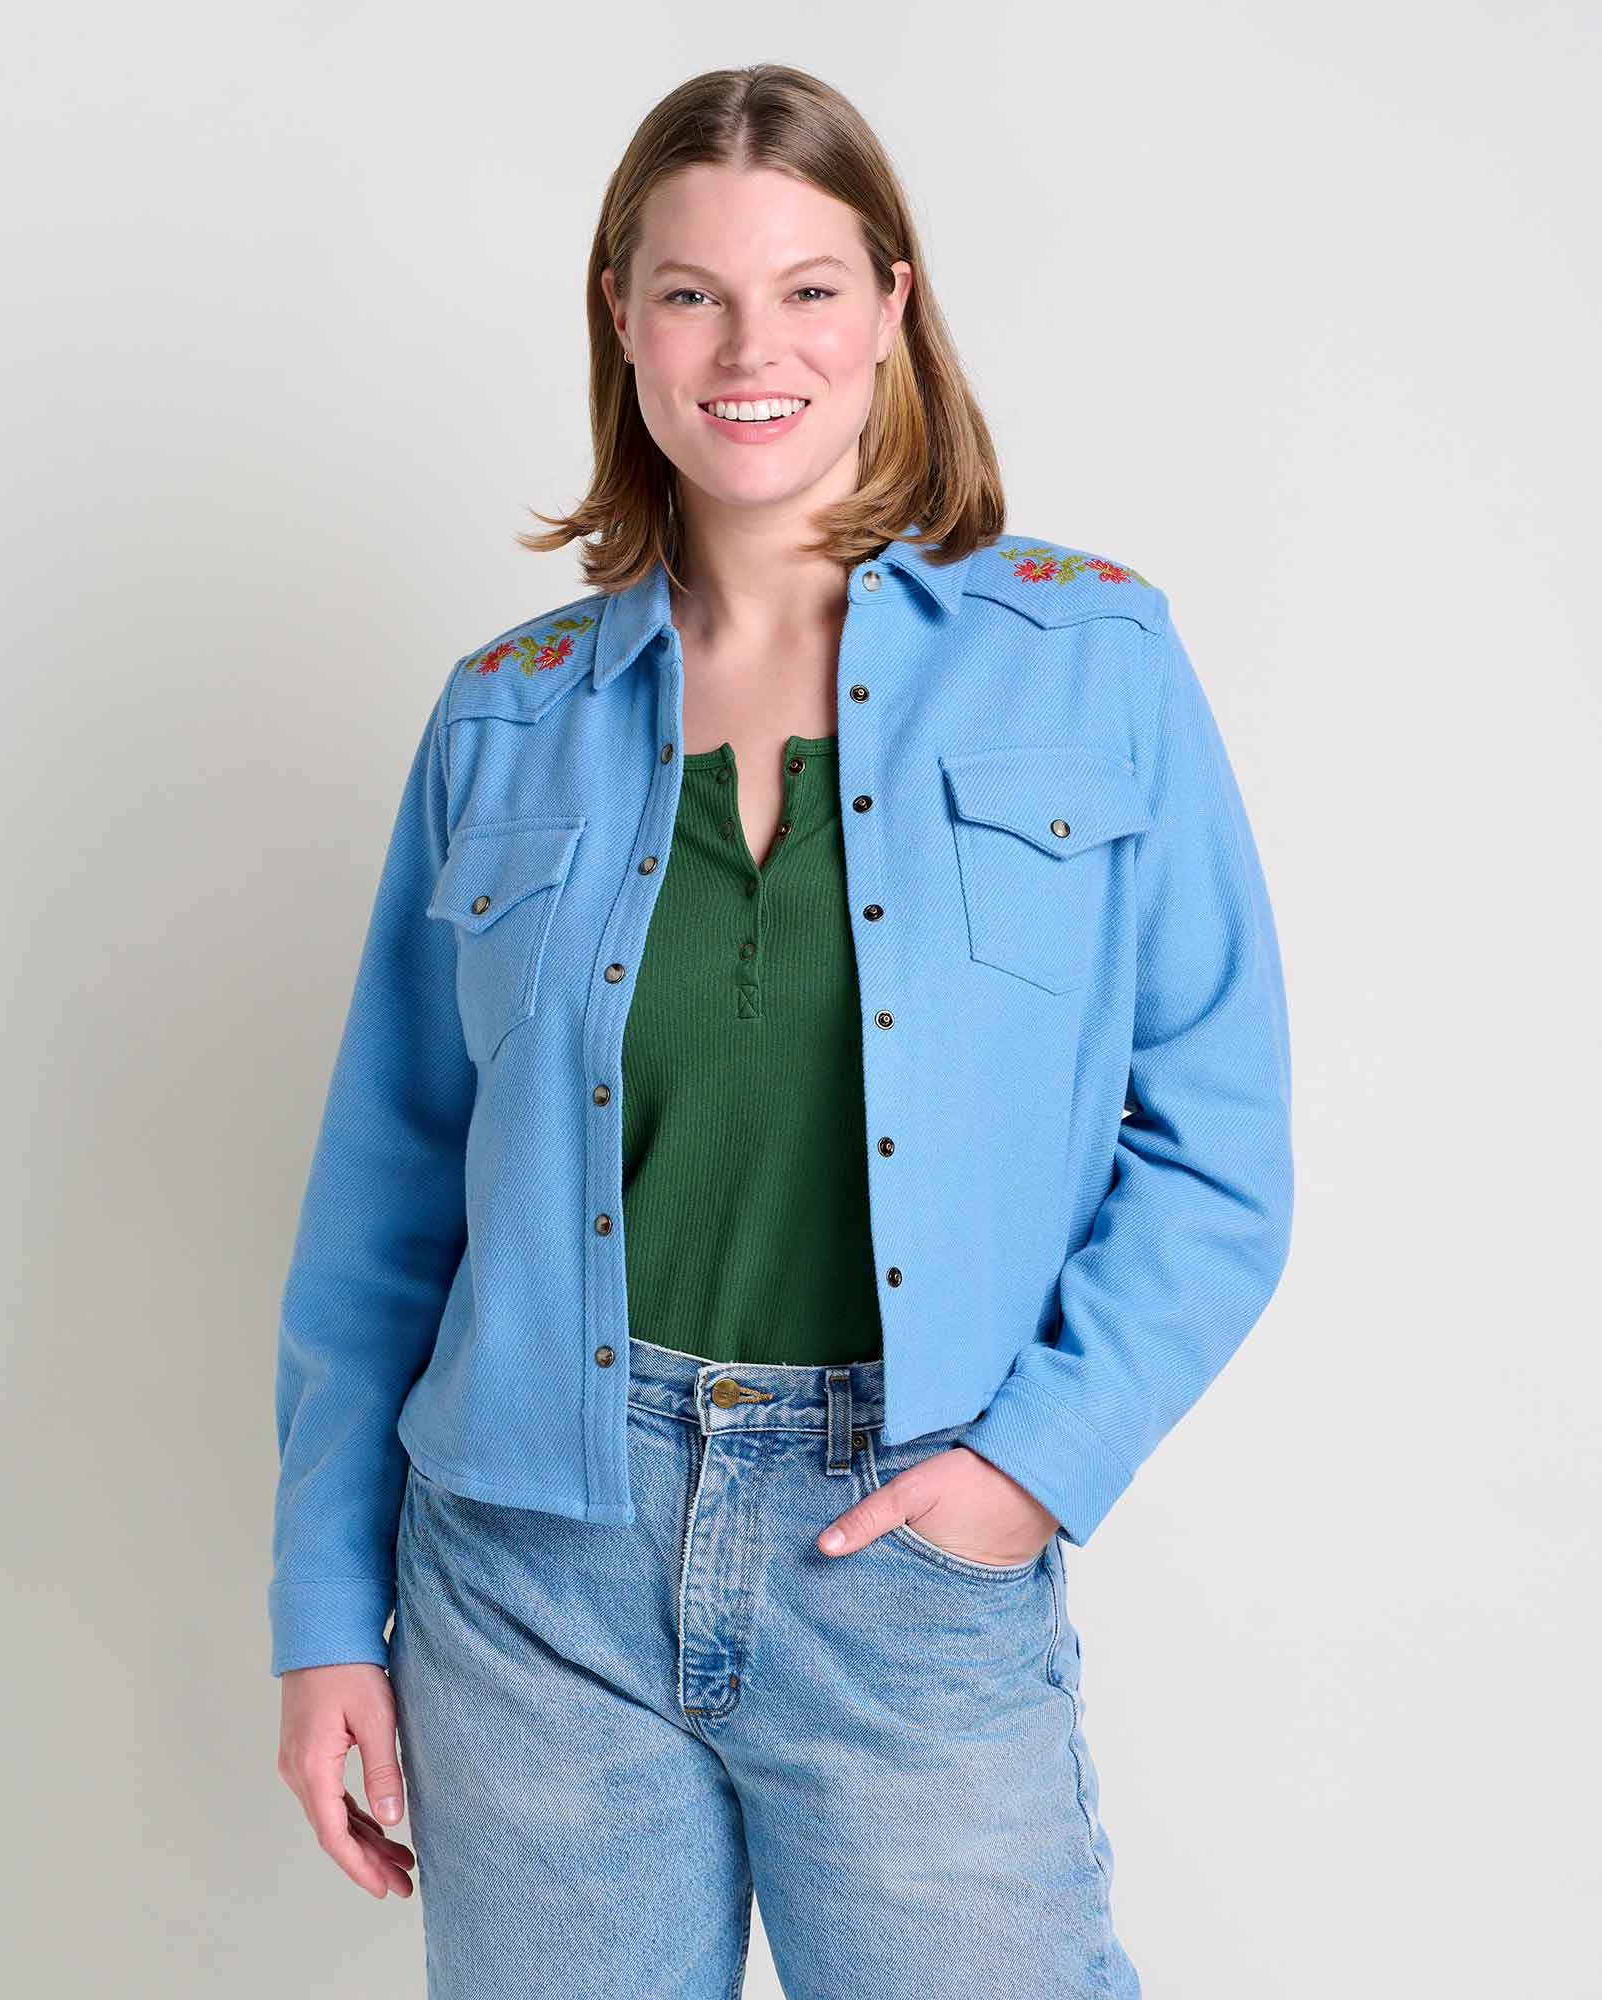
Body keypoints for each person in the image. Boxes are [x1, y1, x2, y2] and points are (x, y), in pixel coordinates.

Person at [269, 61, 1293, 2000]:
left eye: (809, 288)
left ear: (893, 307)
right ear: (621, 317)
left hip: (904, 1554)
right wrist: (325, 1613)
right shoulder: (504, 714)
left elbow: (1218, 1150)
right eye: (693, 293)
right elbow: (380, 1215)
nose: (753, 349)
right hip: (527, 1578)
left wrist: (1031, 1469)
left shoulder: (1092, 659)